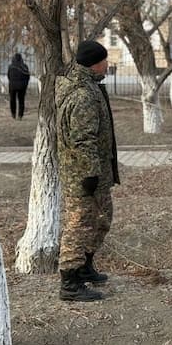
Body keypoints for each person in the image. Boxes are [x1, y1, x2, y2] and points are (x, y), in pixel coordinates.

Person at [55, 40, 120, 301]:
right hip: (82, 175)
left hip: (95, 172)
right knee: (79, 225)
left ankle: (84, 266)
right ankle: (70, 283)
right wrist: (90, 174)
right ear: (94, 64)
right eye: (104, 60)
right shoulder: (83, 95)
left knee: (102, 217)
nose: (107, 64)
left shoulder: (90, 87)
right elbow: (83, 140)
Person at [7, 53, 30, 120]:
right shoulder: (24, 66)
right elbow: (27, 76)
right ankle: (20, 115)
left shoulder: (11, 66)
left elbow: (8, 76)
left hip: (12, 86)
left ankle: (13, 114)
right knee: (21, 101)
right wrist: (25, 84)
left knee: (12, 100)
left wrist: (12, 82)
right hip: (22, 87)